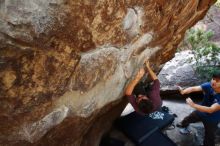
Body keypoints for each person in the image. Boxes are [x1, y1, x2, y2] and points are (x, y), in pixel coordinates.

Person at [177, 71, 220, 146]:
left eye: (217, 81)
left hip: (213, 118)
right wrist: (184, 91)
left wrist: (193, 105)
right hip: (200, 111)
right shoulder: (209, 85)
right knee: (189, 118)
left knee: (209, 136)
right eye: (213, 79)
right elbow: (193, 88)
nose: (213, 82)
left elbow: (211, 110)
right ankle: (183, 125)